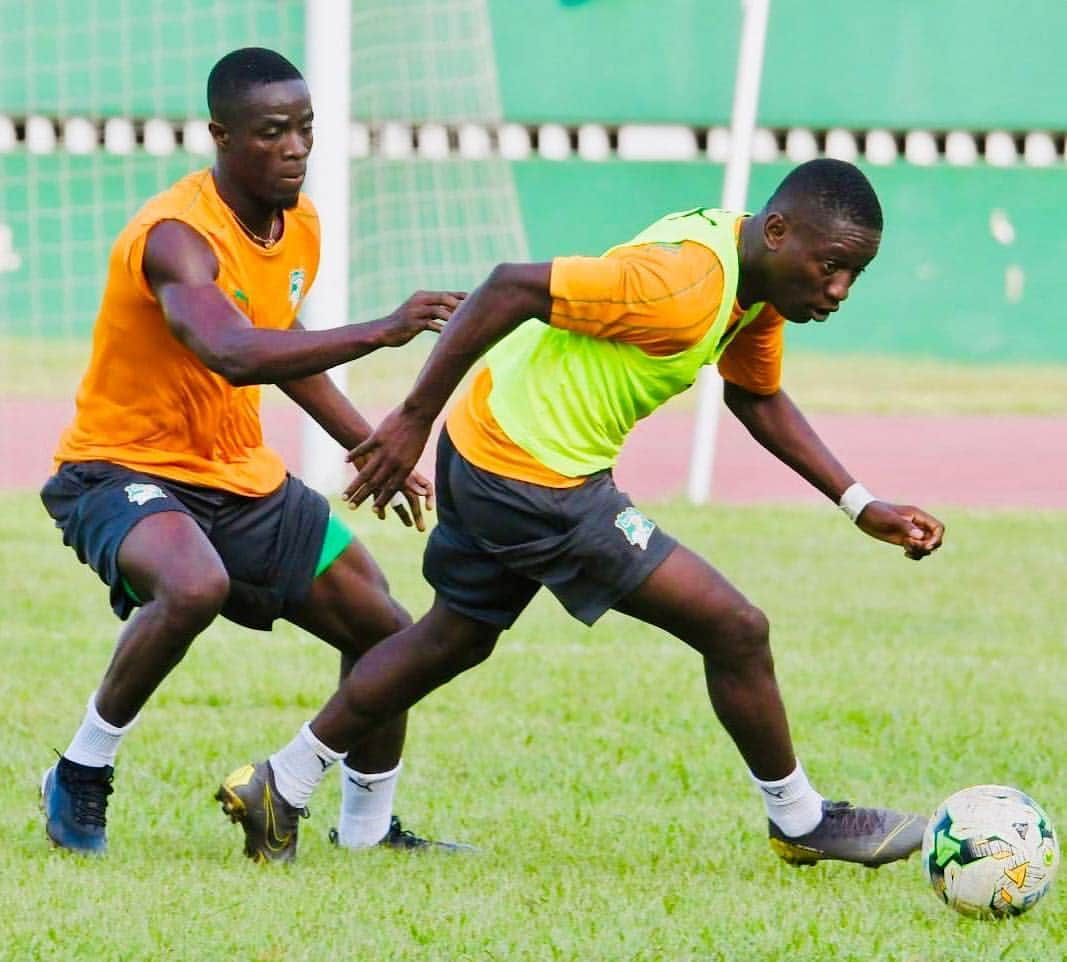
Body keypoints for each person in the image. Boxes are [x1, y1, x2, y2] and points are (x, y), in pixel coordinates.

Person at [218, 158, 945, 866]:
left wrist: (859, 504)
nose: (840, 289)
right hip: (536, 480)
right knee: (734, 627)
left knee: (454, 637)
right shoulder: (682, 284)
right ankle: (801, 820)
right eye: (832, 266)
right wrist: (410, 416)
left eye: (855, 274)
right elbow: (507, 287)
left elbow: (754, 395)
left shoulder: (749, 275)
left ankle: (281, 782)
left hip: (491, 441)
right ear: (779, 231)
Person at [39, 47, 467, 861]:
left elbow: (283, 338)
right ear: (223, 137)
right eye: (273, 132)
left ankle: (367, 832)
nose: (296, 148)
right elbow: (231, 348)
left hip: (240, 477)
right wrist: (384, 327)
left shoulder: (298, 221)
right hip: (119, 468)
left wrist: (368, 444)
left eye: (305, 129)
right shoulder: (174, 237)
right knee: (193, 584)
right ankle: (81, 768)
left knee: (386, 628)